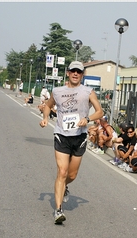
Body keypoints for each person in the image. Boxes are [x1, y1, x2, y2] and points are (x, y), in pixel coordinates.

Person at [39, 61, 103, 224]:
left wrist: (87, 119)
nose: (75, 74)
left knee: (71, 175)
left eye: (79, 72)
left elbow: (100, 112)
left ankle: (64, 186)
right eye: (73, 71)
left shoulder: (88, 91)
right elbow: (48, 105)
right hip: (61, 134)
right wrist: (45, 118)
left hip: (79, 136)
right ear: (67, 73)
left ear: (82, 75)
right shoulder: (58, 91)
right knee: (62, 171)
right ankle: (58, 210)